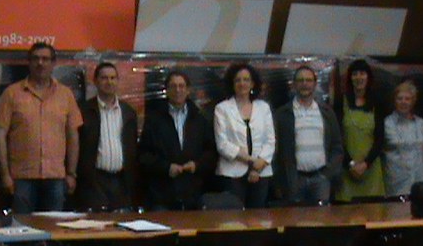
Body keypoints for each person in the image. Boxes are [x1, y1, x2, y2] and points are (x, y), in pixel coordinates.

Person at [0, 43, 82, 213]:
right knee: (22, 225)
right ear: (29, 62)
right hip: (21, 178)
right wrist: (5, 174)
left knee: (52, 225)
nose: (40, 63)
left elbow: (73, 136)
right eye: (35, 59)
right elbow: (0, 136)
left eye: (45, 59)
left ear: (53, 63)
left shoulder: (66, 95)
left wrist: (71, 173)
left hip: (56, 177)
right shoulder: (11, 93)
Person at [139, 70, 216, 210]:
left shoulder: (199, 119)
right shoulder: (154, 120)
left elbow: (210, 152)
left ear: (188, 90)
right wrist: (167, 168)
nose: (178, 90)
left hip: (193, 195)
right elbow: (144, 155)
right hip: (162, 195)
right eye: (173, 86)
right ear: (167, 91)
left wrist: (196, 165)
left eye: (181, 86)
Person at [273, 65, 343, 204]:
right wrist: (278, 182)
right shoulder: (282, 114)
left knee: (321, 217)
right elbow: (276, 151)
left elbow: (337, 146)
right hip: (293, 180)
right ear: (294, 85)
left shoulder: (327, 113)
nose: (305, 84)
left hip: (321, 179)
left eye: (309, 80)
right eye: (300, 80)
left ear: (315, 84)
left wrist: (327, 173)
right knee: (294, 217)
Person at [76, 62, 138, 210]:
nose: (109, 82)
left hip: (121, 181)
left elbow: (132, 147)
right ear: (95, 81)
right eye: (104, 78)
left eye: (112, 78)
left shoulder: (129, 112)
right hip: (94, 180)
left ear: (118, 81)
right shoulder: (83, 110)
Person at [214, 63, 275, 208]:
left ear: (253, 83)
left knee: (258, 217)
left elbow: (270, 140)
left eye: (246, 79)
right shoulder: (222, 109)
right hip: (232, 173)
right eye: (238, 80)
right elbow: (222, 144)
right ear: (232, 84)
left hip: (261, 172)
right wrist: (252, 161)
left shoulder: (263, 107)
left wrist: (258, 166)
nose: (242, 83)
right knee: (234, 217)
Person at [336, 59, 385, 202]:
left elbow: (380, 138)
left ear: (368, 77)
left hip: (371, 168)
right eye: (355, 74)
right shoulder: (341, 102)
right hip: (347, 169)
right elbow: (337, 138)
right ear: (350, 78)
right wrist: (351, 164)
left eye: (362, 73)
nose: (359, 77)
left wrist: (366, 164)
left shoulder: (378, 102)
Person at [383, 80, 423, 197]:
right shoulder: (387, 123)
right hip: (396, 181)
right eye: (400, 98)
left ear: (413, 101)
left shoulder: (421, 123)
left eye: (407, 99)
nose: (403, 102)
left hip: (418, 179)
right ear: (394, 100)